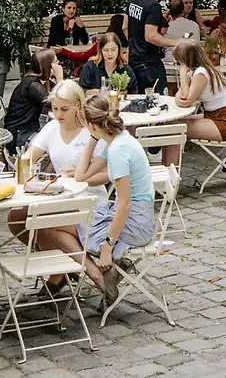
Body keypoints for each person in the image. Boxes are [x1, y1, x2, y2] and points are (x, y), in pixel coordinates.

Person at [7, 80, 106, 294]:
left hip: (88, 199)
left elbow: (108, 175)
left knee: (46, 218)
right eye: (54, 108)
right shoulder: (52, 128)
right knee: (16, 218)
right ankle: (61, 263)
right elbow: (29, 157)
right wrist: (22, 163)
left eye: (64, 109)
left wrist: (83, 177)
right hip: (59, 197)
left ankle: (62, 273)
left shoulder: (91, 131)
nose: (58, 114)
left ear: (78, 106)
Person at [79, 93, 156, 304]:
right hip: (136, 213)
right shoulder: (116, 140)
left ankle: (104, 273)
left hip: (137, 222)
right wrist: (93, 138)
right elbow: (81, 176)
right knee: (82, 221)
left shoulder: (118, 150)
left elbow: (125, 204)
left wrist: (107, 248)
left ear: (91, 125)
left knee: (81, 232)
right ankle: (110, 272)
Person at [171, 40, 226, 152]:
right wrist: (178, 98)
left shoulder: (201, 73)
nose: (179, 65)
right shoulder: (199, 70)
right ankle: (170, 165)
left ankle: (171, 166)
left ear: (185, 59)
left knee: (175, 128)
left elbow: (187, 99)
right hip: (213, 115)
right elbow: (180, 94)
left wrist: (182, 73)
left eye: (179, 62)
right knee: (173, 122)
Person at [125, 0, 179, 93]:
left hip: (133, 60)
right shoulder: (153, 5)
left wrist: (134, 45)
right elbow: (151, 36)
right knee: (158, 100)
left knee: (139, 101)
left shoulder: (133, 0)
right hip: (149, 62)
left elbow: (125, 27)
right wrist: (176, 42)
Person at [2, 48, 61, 155]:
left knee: (59, 140)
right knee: (56, 143)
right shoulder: (32, 85)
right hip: (18, 135)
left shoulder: (41, 81)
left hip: (28, 129)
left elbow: (64, 95)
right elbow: (58, 105)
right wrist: (60, 78)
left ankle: (52, 171)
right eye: (56, 62)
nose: (59, 65)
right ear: (48, 65)